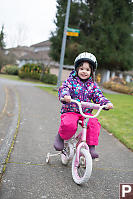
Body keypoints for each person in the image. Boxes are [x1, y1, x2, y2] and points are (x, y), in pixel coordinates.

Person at [54, 52, 113, 159]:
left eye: (87, 69)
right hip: (70, 110)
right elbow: (64, 89)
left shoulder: (93, 85)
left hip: (85, 112)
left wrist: (106, 103)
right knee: (69, 124)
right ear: (77, 69)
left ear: (91, 72)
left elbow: (98, 96)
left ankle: (91, 146)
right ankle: (61, 136)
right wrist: (65, 96)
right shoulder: (71, 81)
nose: (84, 71)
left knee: (94, 124)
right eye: (81, 68)